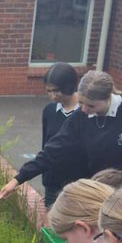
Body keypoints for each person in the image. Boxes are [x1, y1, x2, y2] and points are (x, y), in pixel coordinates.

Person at [0, 70, 122, 204]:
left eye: (91, 106)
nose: (84, 109)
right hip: (100, 189)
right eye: (81, 103)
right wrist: (18, 179)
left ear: (108, 97)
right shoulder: (80, 118)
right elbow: (53, 150)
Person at [40, 63, 82, 206]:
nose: (52, 96)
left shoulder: (85, 111)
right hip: (53, 181)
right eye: (48, 91)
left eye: (56, 91)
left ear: (69, 86)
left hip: (78, 183)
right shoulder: (49, 111)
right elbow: (46, 145)